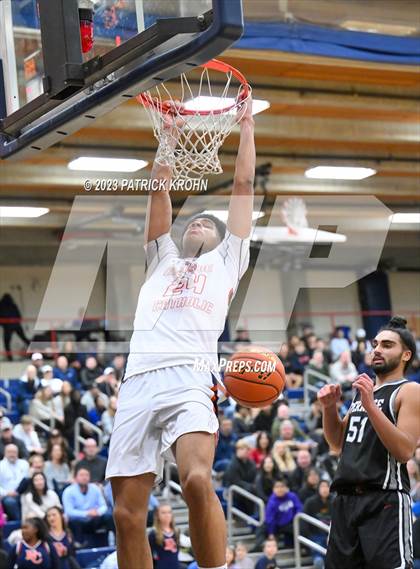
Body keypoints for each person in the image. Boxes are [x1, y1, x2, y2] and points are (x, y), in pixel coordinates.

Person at [106, 96, 255, 569]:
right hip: (138, 382)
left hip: (191, 376)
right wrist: (167, 139)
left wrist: (246, 126)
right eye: (194, 219)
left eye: (208, 223)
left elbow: (244, 184)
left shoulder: (228, 259)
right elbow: (159, 192)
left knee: (195, 481)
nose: (199, 222)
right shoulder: (162, 258)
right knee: (127, 516)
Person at [318, 316, 419, 568]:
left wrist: (371, 407)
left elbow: (405, 450)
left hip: (383, 501)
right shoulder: (366, 393)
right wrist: (329, 409)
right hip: (345, 501)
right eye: (375, 344)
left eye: (387, 345)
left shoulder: (409, 390)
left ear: (405, 355)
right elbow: (338, 444)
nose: (377, 349)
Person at [62, 468, 114, 545]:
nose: (84, 477)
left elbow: (104, 506)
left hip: (94, 518)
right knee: (73, 522)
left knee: (109, 516)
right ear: (75, 478)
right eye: (81, 475)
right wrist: (87, 513)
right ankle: (79, 545)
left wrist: (98, 512)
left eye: (86, 475)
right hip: (79, 521)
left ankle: (116, 542)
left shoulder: (95, 488)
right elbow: (69, 511)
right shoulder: (68, 491)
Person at [257, 479, 302, 549]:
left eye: (282, 487)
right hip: (277, 524)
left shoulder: (292, 496)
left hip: (290, 522)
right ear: (273, 490)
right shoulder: (272, 501)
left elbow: (299, 508)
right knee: (261, 528)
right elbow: (270, 519)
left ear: (286, 488)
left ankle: (302, 547)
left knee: (301, 527)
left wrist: (295, 519)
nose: (279, 489)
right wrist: (271, 533)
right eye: (277, 487)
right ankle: (261, 545)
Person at [148, 503, 191, 569]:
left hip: (176, 566)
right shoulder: (153, 534)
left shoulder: (176, 531)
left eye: (169, 512)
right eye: (163, 513)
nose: (167, 515)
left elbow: (185, 544)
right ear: (157, 515)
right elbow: (150, 555)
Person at [303, 480, 332, 569]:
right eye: (322, 487)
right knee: (318, 549)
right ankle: (318, 561)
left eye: (327, 486)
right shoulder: (310, 502)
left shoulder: (335, 501)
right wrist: (308, 536)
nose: (325, 489)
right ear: (318, 488)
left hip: (331, 534)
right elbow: (304, 522)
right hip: (315, 534)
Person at [223, 440, 257, 515]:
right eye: (241, 449)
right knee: (250, 489)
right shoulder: (232, 464)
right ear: (237, 450)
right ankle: (252, 515)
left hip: (247, 488)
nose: (245, 451)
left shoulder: (251, 463)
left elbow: (255, 476)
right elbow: (235, 482)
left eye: (247, 449)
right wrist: (250, 486)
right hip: (234, 491)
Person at [0, 444, 29, 520]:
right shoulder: (1, 466)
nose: (12, 454)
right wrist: (7, 493)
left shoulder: (24, 464)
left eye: (14, 452)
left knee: (30, 499)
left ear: (18, 453)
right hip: (6, 495)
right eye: (9, 452)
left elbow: (27, 480)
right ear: (5, 453)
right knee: (10, 502)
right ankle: (19, 523)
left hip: (22, 493)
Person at [0, 293, 30, 361]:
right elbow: (19, 317)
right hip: (16, 325)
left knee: (6, 343)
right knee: (24, 338)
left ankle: (10, 358)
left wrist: (4, 324)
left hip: (8, 326)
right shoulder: (13, 305)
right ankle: (36, 350)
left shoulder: (1, 306)